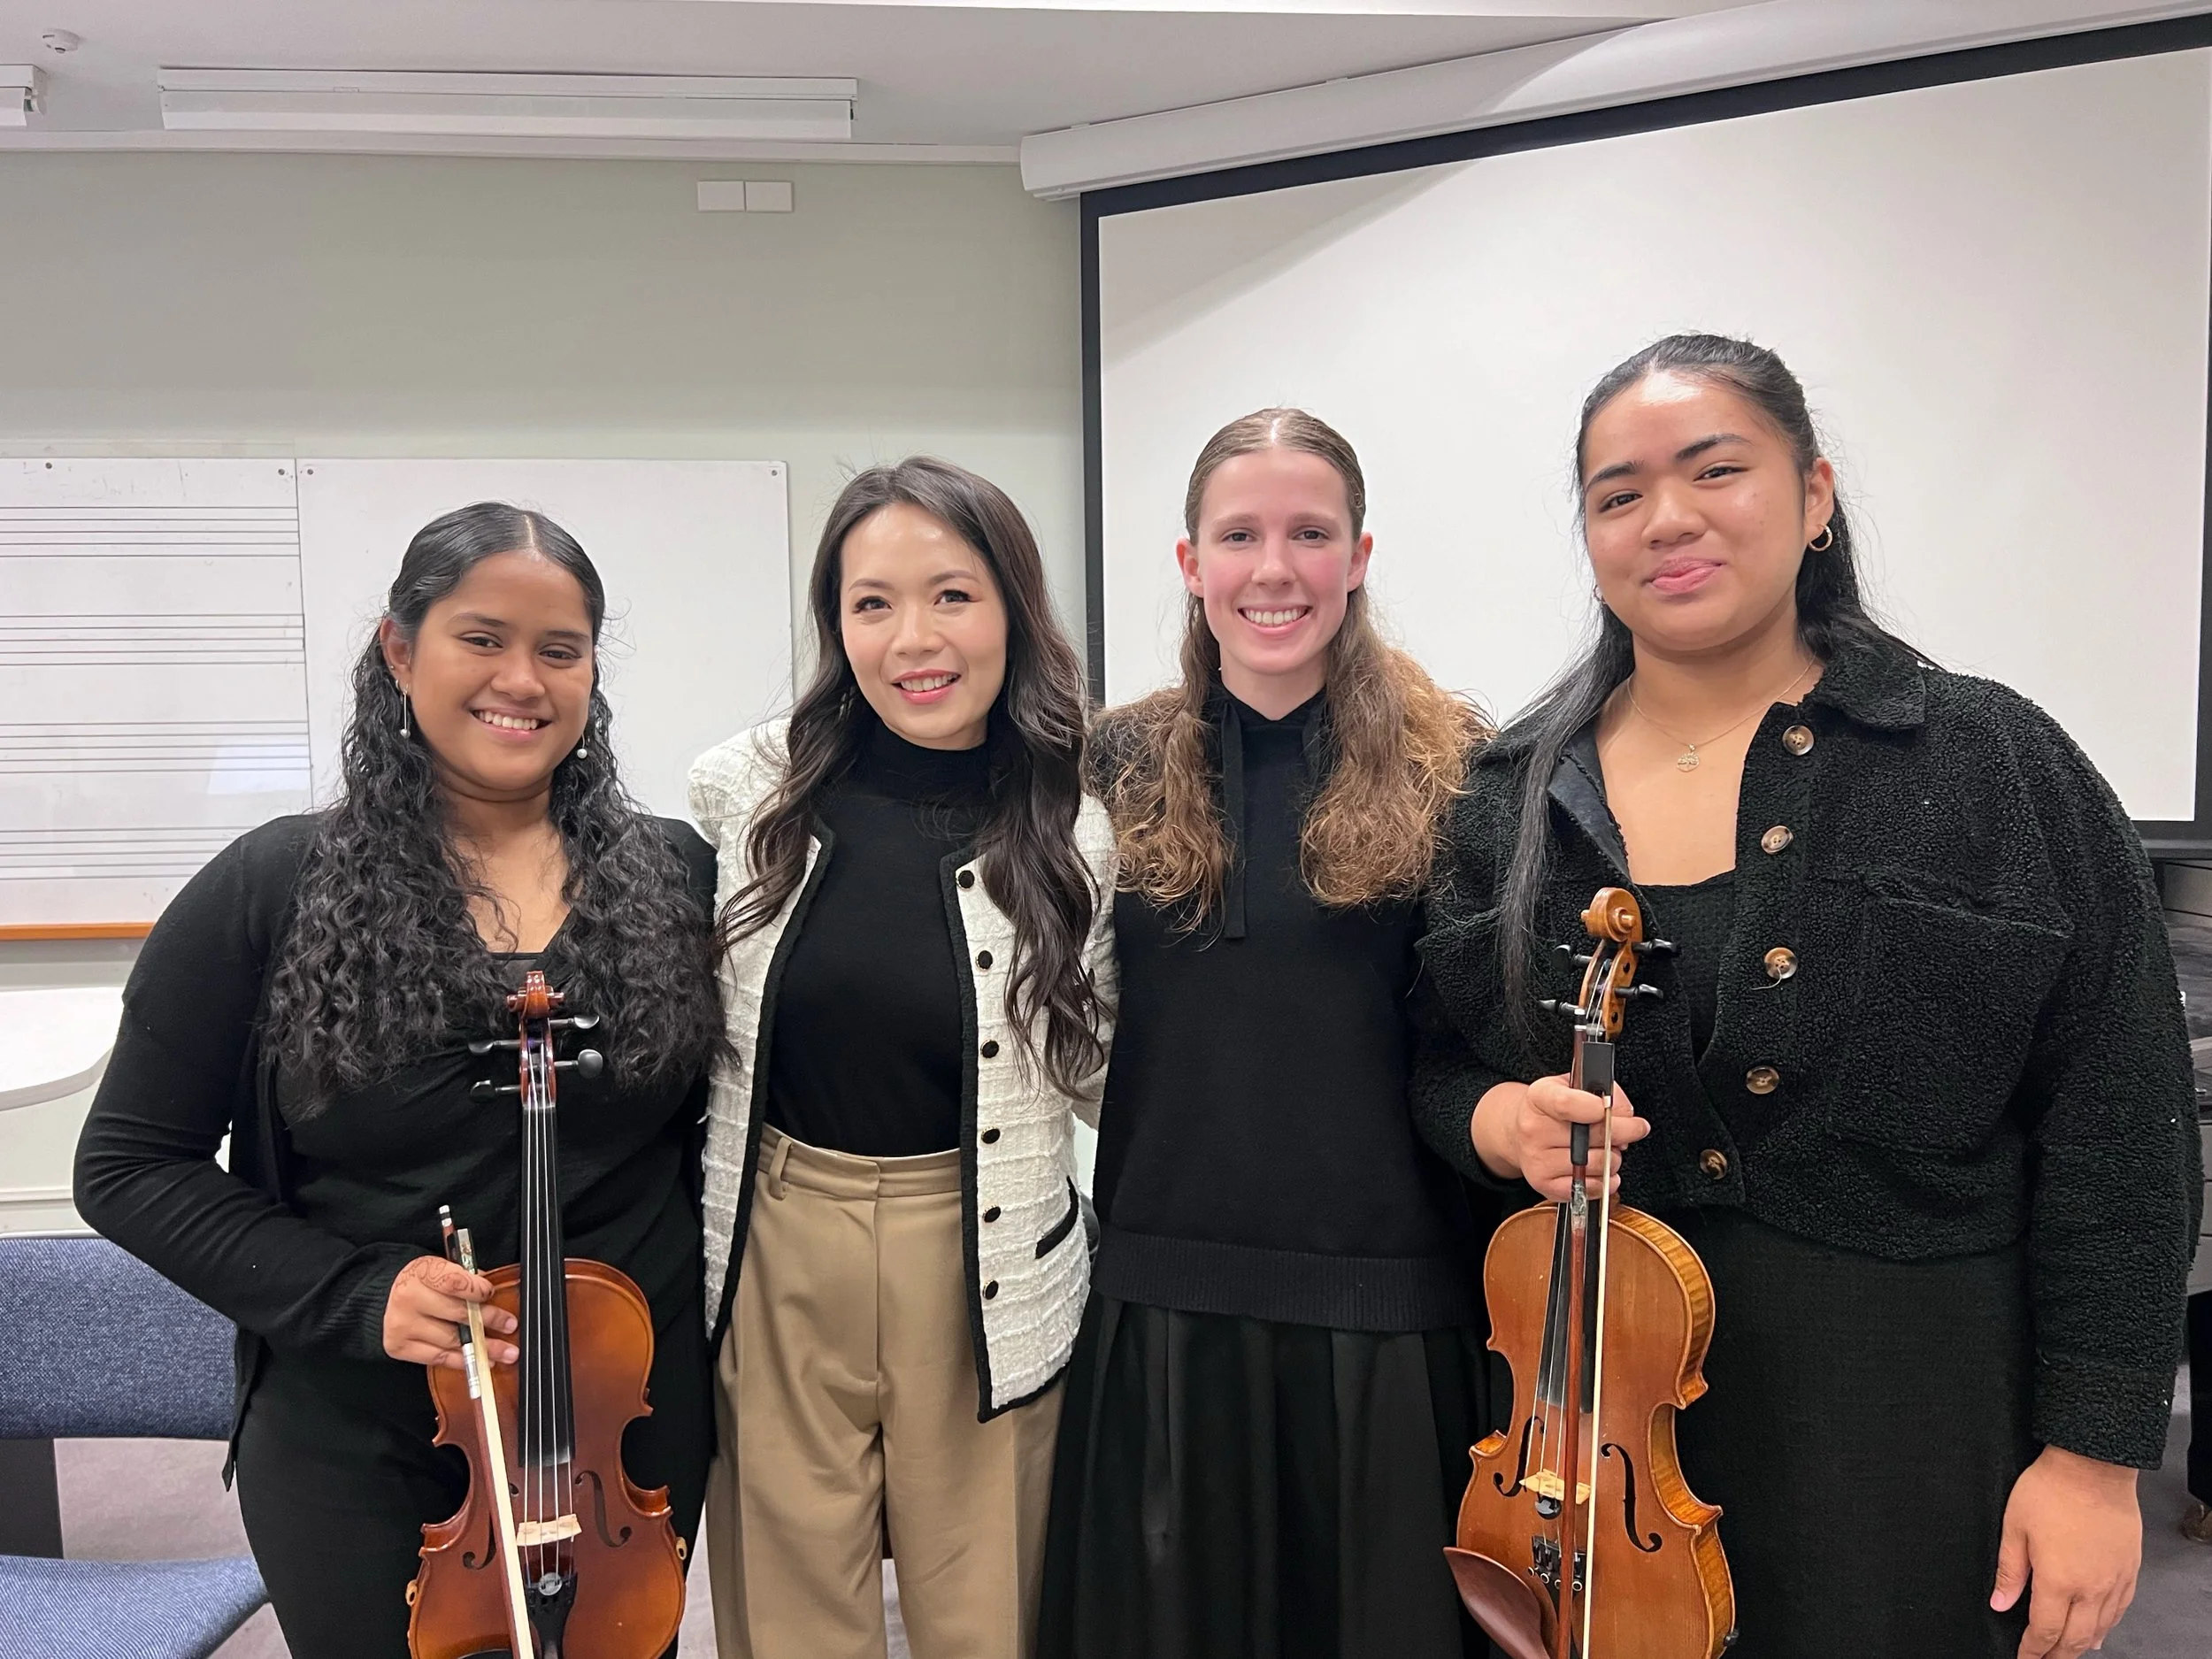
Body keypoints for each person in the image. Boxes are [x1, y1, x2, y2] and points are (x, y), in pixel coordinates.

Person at [1414, 334, 2204, 1659]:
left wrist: (2097, 1455)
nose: (1667, 518)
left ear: (1815, 494)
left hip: (1917, 1416)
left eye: (1715, 468)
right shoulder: (1510, 800)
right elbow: (1432, 1058)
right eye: (1617, 494)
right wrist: (1493, 1116)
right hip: (1602, 1426)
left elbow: (2121, 1121)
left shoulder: (1992, 760)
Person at [73, 502, 722, 1657]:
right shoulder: (277, 884)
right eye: (482, 636)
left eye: (559, 649)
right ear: (400, 648)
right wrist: (357, 1292)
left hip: (623, 1428)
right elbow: (129, 1164)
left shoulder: (673, 873)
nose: (521, 678)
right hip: (358, 1438)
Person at [1038, 409, 1495, 1659]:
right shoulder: (1107, 762)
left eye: (1310, 533)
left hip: (1389, 1317)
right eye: (1239, 535)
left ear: (1358, 555)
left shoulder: (1461, 767)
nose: (1274, 568)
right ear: (1192, 562)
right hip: (1163, 1311)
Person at [688, 457, 1114, 1659]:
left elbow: (1106, 1064)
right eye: (871, 602)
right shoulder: (747, 789)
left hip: (987, 1248)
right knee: (786, 1614)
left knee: (991, 1613)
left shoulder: (1080, 814)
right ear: (836, 622)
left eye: (952, 596)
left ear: (1013, 612)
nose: (912, 637)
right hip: (777, 1244)